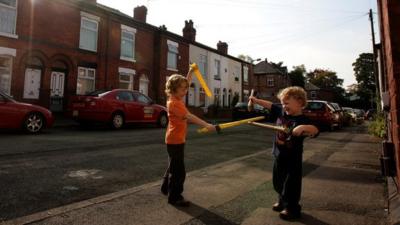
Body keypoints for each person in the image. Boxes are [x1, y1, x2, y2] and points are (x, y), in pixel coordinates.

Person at [249, 86, 319, 220]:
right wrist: (256, 100)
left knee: (291, 184)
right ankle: (282, 201)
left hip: (293, 159)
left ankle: (292, 209)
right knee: (278, 181)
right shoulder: (281, 112)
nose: (284, 106)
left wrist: (303, 127)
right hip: (278, 154)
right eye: (282, 103)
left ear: (299, 102)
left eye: (287, 103)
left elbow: (315, 130)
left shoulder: (303, 120)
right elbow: (270, 105)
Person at [162, 72, 216, 207]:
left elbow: (184, 82)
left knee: (173, 166)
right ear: (174, 89)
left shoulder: (175, 99)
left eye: (186, 88)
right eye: (183, 89)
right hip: (175, 141)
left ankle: (165, 187)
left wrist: (190, 73)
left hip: (174, 139)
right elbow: (190, 117)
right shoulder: (175, 104)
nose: (186, 91)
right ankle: (175, 197)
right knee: (179, 172)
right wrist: (207, 125)